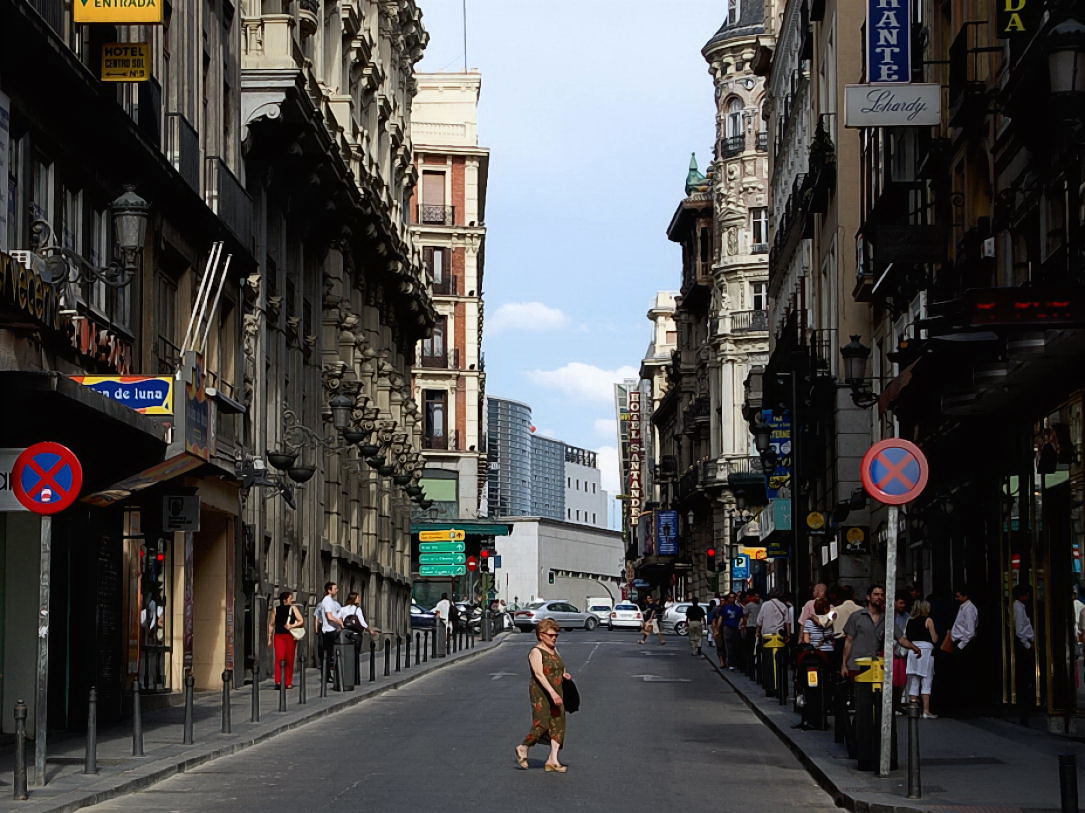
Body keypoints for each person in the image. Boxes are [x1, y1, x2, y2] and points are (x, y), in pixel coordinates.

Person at [515, 618, 572, 772]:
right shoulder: (536, 652)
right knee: (542, 723)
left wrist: (565, 675)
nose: (554, 638)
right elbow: (539, 674)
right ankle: (523, 747)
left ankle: (553, 759)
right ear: (541, 635)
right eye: (551, 635)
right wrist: (552, 693)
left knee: (558, 723)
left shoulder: (554, 650)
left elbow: (561, 667)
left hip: (557, 689)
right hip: (541, 691)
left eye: (556, 635)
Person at [898, 599, 938, 718]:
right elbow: (934, 639)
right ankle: (926, 711)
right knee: (926, 680)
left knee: (913, 680)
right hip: (926, 650)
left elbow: (907, 637)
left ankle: (913, 709)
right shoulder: (928, 620)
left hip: (913, 649)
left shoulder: (909, 621)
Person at [945, 586, 979, 716]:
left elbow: (970, 631)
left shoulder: (969, 609)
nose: (956, 598)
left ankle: (964, 706)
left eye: (958, 596)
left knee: (962, 674)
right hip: (959, 642)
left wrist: (960, 646)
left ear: (965, 596)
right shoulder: (963, 607)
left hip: (963, 644)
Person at [841, 585, 886, 678]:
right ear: (868, 597)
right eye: (876, 594)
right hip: (856, 666)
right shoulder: (856, 616)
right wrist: (844, 664)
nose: (879, 597)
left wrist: (915, 648)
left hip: (876, 666)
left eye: (882, 595)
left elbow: (900, 638)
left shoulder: (886, 619)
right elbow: (848, 642)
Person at [267, 590, 304, 689]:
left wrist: (292, 625)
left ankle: (288, 681)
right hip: (279, 635)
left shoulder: (293, 608)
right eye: (290, 598)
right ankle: (278, 681)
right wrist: (269, 637)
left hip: (290, 636)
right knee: (279, 658)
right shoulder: (276, 609)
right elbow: (271, 624)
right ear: (284, 600)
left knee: (289, 658)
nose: (292, 600)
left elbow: (301, 620)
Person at [1013, 584, 1035, 724]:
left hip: (1026, 643)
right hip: (1024, 645)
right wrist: (1027, 644)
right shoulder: (1018, 608)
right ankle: (1024, 709)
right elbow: (1019, 630)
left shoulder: (1019, 607)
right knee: (1025, 678)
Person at [317, 582, 343, 682]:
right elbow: (329, 616)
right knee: (328, 654)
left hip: (332, 629)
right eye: (335, 588)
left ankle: (328, 675)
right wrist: (340, 622)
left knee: (329, 654)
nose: (337, 590)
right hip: (329, 630)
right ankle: (326, 676)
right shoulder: (327, 601)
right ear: (329, 590)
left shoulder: (331, 601)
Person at [720, 593, 744, 670]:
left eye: (733, 597)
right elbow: (721, 618)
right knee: (728, 646)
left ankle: (735, 662)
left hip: (736, 628)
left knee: (736, 645)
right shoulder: (724, 608)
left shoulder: (738, 608)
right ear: (728, 599)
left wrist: (740, 625)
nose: (732, 599)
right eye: (730, 597)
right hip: (727, 628)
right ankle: (730, 663)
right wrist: (717, 629)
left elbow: (741, 618)